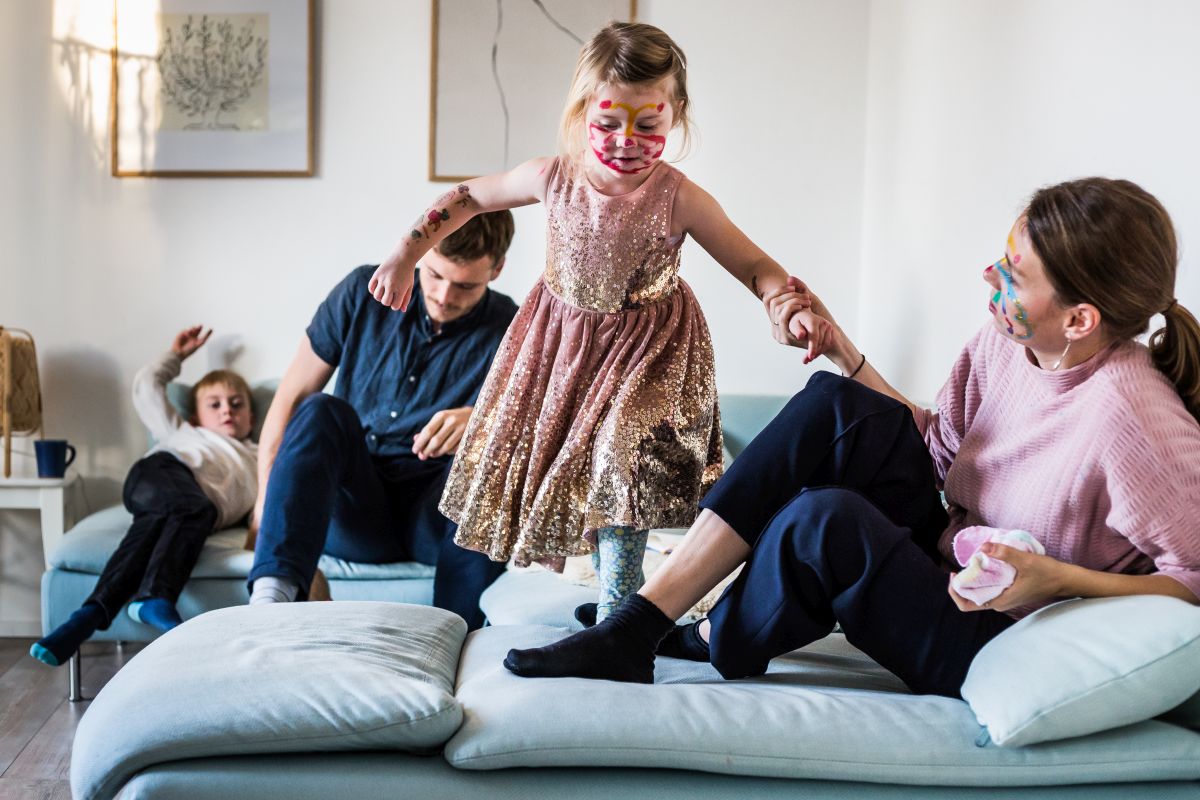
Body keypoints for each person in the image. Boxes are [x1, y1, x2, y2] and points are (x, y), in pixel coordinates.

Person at [502, 177, 1200, 693]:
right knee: (835, 403)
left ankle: (663, 632)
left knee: (825, 522)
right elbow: (936, 446)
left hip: (998, 634)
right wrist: (844, 352)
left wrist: (1059, 581)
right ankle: (642, 625)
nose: (989, 276)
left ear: (1080, 319)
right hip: (953, 559)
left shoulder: (1133, 418)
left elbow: (1193, 579)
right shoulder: (1006, 345)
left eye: (1013, 273)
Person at [368, 22, 832, 623]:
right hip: (564, 342)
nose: (626, 139)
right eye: (608, 122)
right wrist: (405, 254)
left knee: (624, 451)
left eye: (649, 124)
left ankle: (622, 608)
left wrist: (782, 303)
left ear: (676, 113)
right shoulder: (549, 176)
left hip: (651, 345)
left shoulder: (680, 197)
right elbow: (468, 196)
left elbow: (754, 265)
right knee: (570, 466)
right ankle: (612, 590)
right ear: (584, 109)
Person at [246, 212, 519, 631]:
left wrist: (485, 421)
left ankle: (456, 636)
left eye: (465, 286)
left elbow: (545, 433)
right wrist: (266, 507)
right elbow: (291, 399)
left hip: (436, 517)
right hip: (356, 509)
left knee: (494, 446)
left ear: (496, 269)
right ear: (420, 254)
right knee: (320, 410)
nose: (445, 296)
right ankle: (269, 603)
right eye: (434, 276)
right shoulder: (362, 290)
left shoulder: (513, 327)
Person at [31, 326, 257, 666]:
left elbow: (270, 501)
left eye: (237, 404)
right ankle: (156, 597)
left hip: (184, 511)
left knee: (157, 524)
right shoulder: (183, 431)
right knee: (196, 508)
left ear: (252, 417)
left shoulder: (259, 456)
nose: (227, 410)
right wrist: (176, 356)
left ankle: (87, 617)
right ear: (196, 416)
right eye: (215, 404)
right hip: (159, 475)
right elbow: (146, 388)